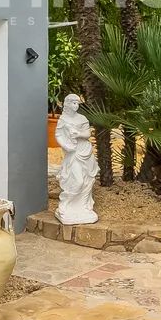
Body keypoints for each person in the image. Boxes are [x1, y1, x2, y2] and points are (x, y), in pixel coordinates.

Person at [56, 93, 98, 226]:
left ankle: (83, 207)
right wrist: (66, 146)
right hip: (73, 153)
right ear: (67, 104)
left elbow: (87, 134)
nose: (75, 106)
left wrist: (78, 134)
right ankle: (66, 204)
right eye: (73, 103)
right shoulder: (63, 119)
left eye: (77, 104)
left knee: (88, 181)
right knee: (78, 181)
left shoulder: (82, 118)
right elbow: (58, 135)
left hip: (85, 151)